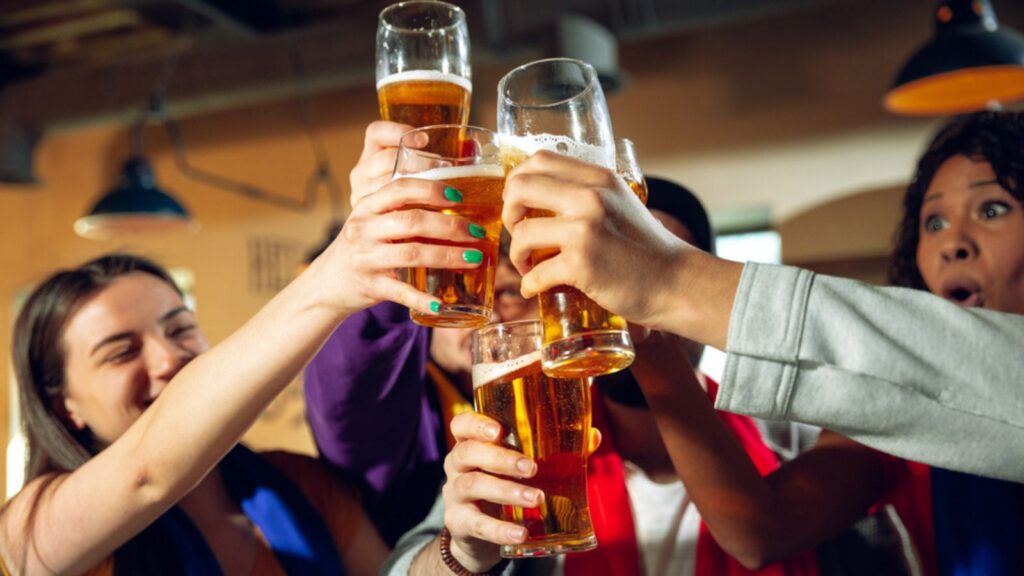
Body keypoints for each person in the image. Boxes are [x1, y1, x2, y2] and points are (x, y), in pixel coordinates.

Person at [323, 124, 817, 575]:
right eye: (606, 269)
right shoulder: (534, 433)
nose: (625, 297)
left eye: (654, 274)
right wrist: (466, 553)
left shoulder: (790, 432)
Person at [496, 111, 1024, 484]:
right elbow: (760, 531)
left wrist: (670, 282)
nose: (954, 242)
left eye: (993, 209)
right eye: (933, 221)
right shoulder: (538, 443)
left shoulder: (792, 430)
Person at [0, 171, 487, 574]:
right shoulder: (28, 529)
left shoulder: (297, 482)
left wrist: (463, 551)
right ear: (64, 405)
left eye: (180, 329)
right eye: (121, 351)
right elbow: (145, 471)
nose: (168, 359)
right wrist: (335, 277)